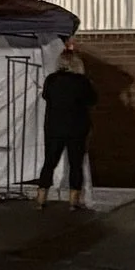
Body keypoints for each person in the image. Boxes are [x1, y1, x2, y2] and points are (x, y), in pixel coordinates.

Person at [36, 42, 95, 205]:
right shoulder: (82, 82)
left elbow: (46, 96)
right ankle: (73, 201)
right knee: (75, 165)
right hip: (77, 127)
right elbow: (92, 100)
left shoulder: (51, 80)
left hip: (54, 127)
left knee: (49, 162)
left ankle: (41, 198)